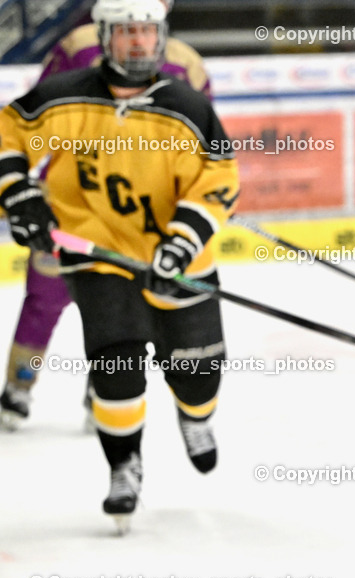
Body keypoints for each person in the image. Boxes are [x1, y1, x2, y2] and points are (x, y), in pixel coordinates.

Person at [0, 0, 239, 529]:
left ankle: (194, 414)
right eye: (128, 33)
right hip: (98, 257)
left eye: (148, 33)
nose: (139, 43)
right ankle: (124, 465)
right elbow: (7, 132)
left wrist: (177, 246)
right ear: (104, 37)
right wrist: (18, 194)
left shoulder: (187, 105)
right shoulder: (62, 96)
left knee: (198, 377)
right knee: (116, 368)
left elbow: (219, 183)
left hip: (180, 262)